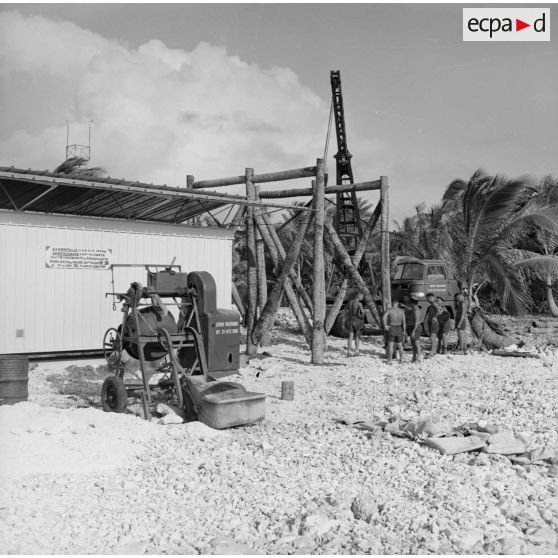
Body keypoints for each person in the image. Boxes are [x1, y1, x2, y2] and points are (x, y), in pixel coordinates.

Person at [383, 299, 406, 364]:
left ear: (392, 303)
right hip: (399, 328)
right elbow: (404, 322)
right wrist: (404, 331)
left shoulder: (390, 310)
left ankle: (390, 360)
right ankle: (401, 360)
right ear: (398, 304)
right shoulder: (401, 311)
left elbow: (383, 317)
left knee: (391, 345)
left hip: (392, 328)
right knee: (400, 345)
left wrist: (385, 326)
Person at [345, 291, 364, 357]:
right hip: (357, 320)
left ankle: (349, 351)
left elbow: (345, 310)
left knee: (350, 336)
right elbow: (362, 312)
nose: (363, 297)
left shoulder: (350, 302)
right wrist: (362, 317)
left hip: (350, 320)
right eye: (362, 296)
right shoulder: (359, 303)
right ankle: (356, 351)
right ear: (358, 296)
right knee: (357, 336)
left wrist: (348, 316)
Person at [423, 293, 441, 358]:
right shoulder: (432, 305)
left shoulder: (434, 304)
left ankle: (432, 352)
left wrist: (435, 317)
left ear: (431, 297)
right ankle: (434, 351)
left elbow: (439, 311)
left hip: (434, 323)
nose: (427, 300)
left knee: (433, 337)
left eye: (428, 299)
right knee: (433, 337)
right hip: (433, 323)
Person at [405, 296, 422, 362]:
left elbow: (417, 322)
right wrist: (404, 306)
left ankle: (418, 358)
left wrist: (413, 331)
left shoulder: (416, 310)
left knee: (416, 343)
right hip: (411, 326)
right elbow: (409, 309)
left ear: (411, 303)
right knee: (413, 343)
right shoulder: (413, 309)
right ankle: (414, 357)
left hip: (415, 327)